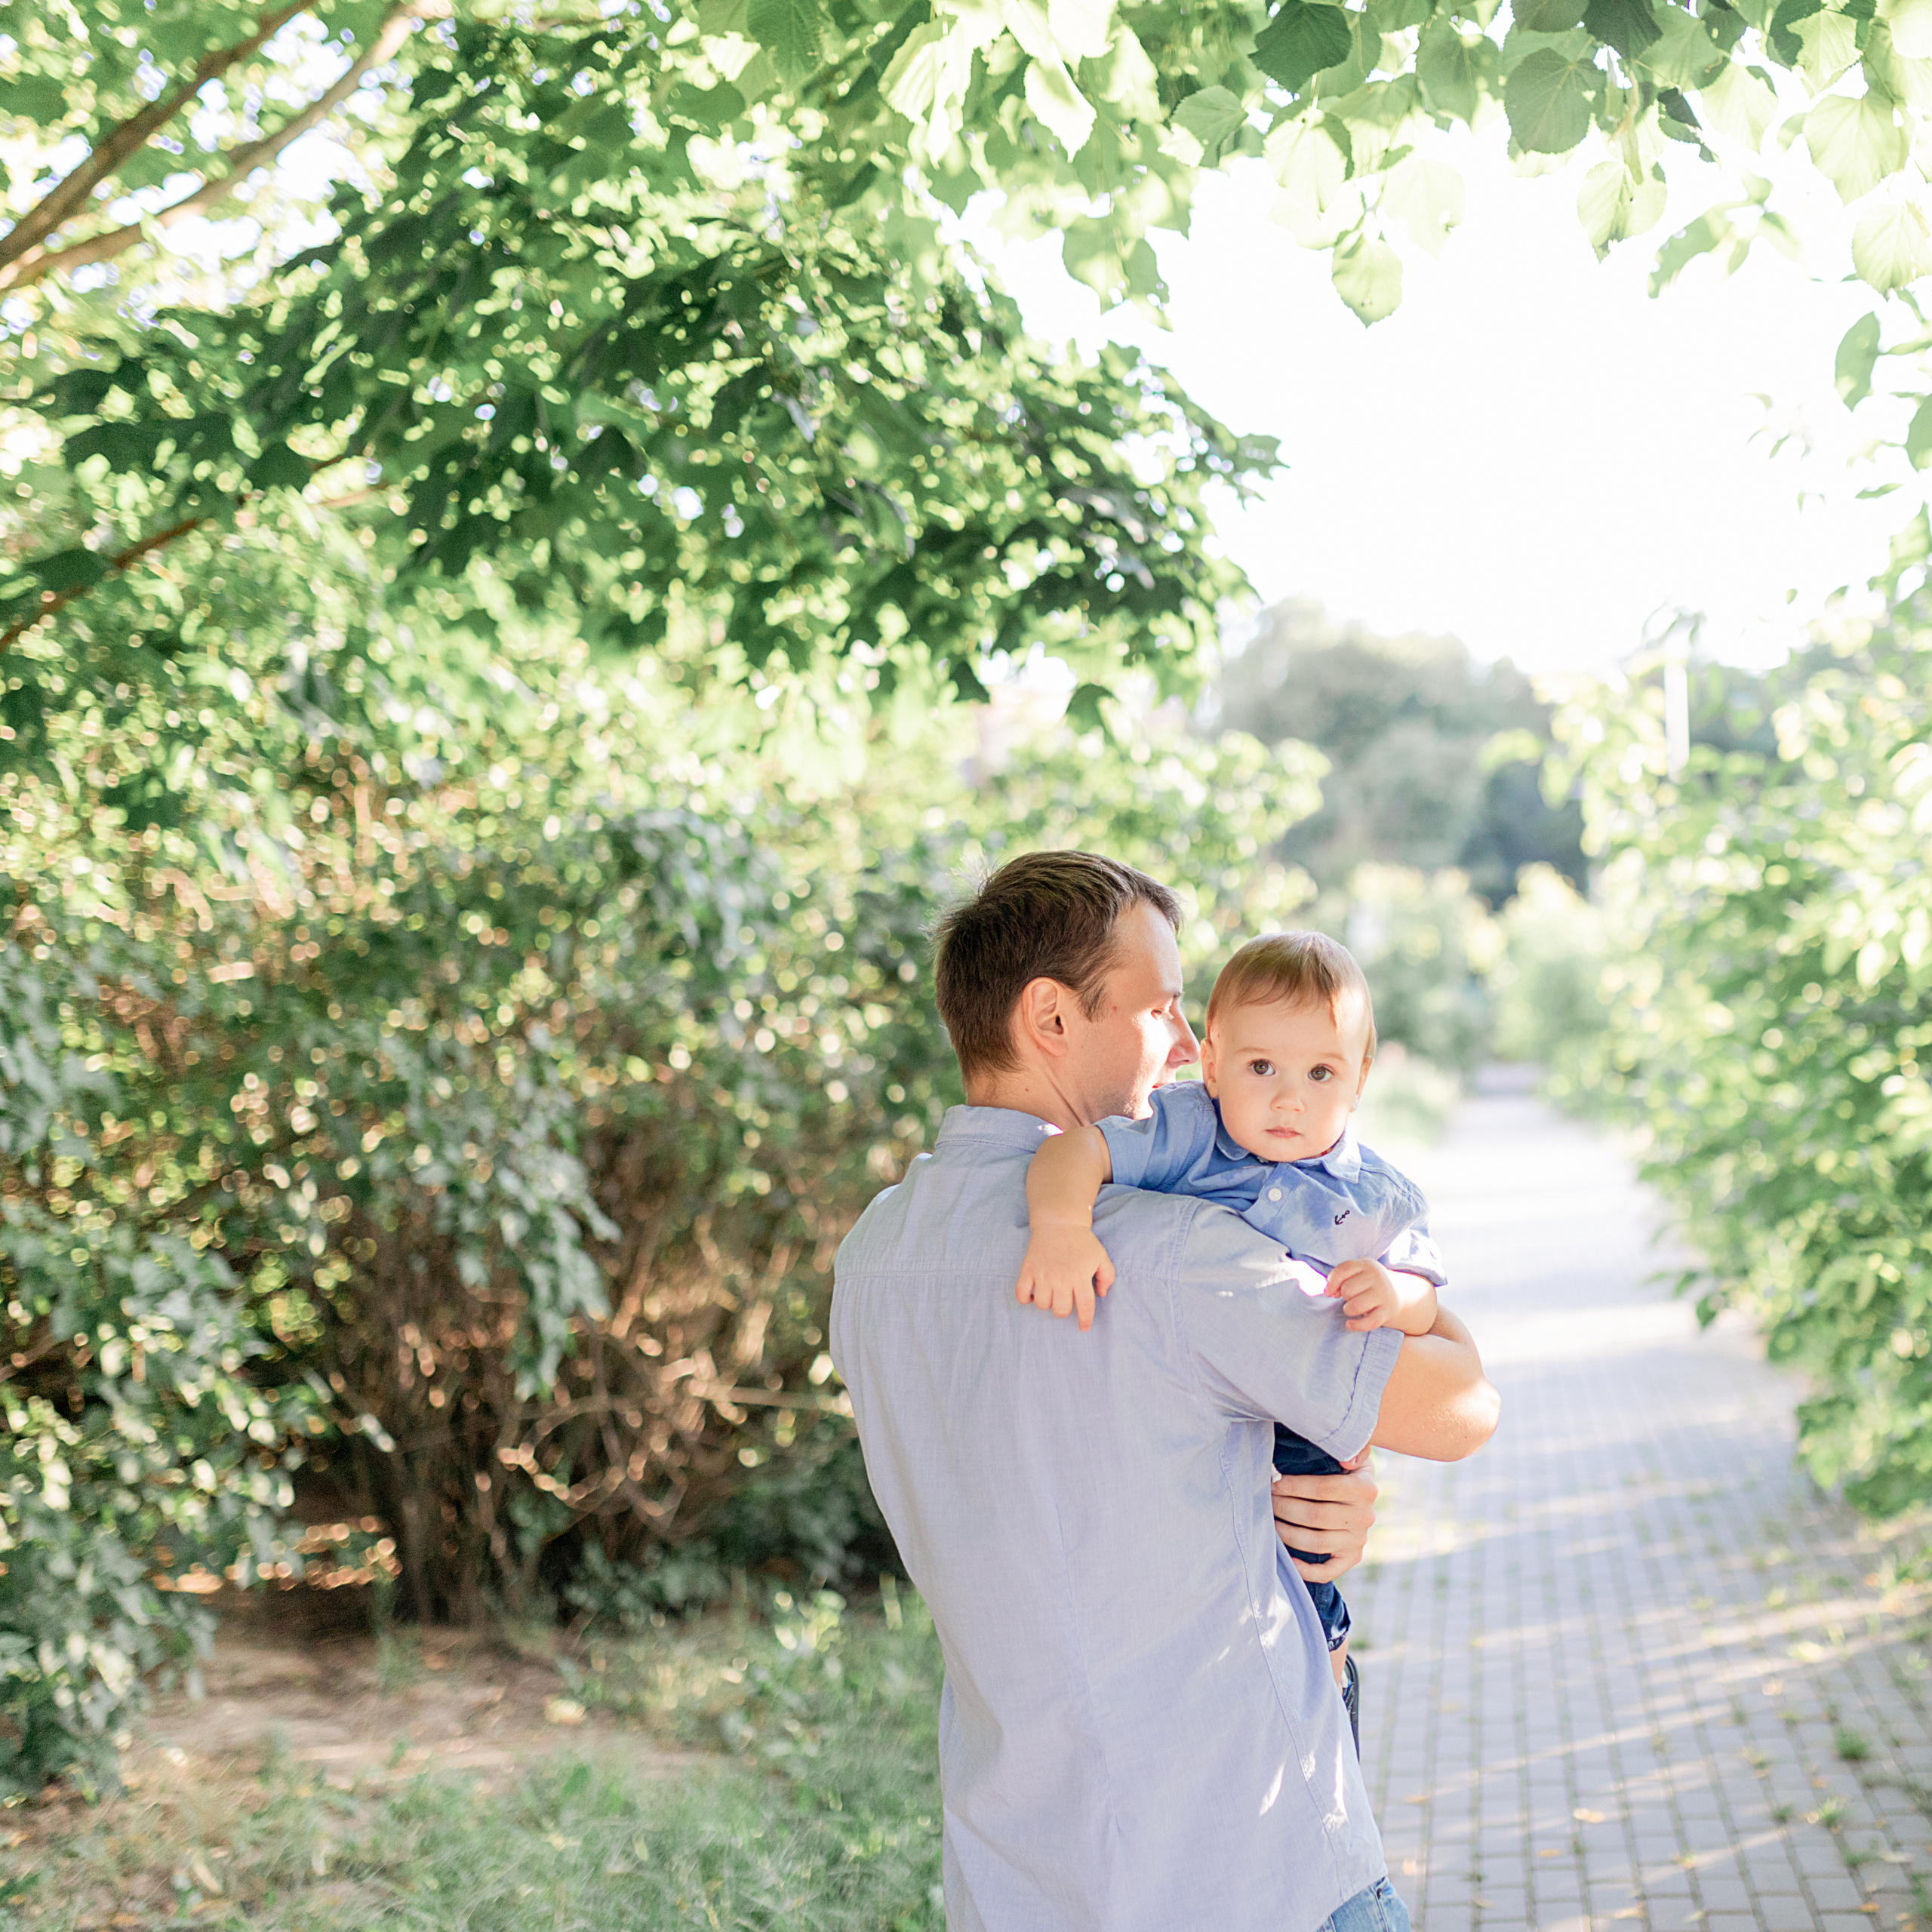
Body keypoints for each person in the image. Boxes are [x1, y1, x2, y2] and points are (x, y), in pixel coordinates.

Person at [831, 851, 1498, 1932]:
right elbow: (1465, 1414)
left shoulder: (870, 1260)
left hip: (1018, 1875)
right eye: (1161, 1007)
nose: (1190, 1046)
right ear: (1050, 1017)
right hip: (1249, 1858)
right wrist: (1423, 1315)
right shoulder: (1185, 1253)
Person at [1014, 928, 1443, 1714]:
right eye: (1260, 1067)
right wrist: (1062, 1228)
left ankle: (1330, 1660)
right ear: (1211, 1063)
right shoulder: (1189, 1135)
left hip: (1305, 1416)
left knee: (1311, 1546)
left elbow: (1427, 1296)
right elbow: (1073, 1154)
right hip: (1190, 1405)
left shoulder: (1377, 1191)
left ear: (1359, 1078)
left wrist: (1395, 1293)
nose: (1288, 1097)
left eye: (1320, 1072)